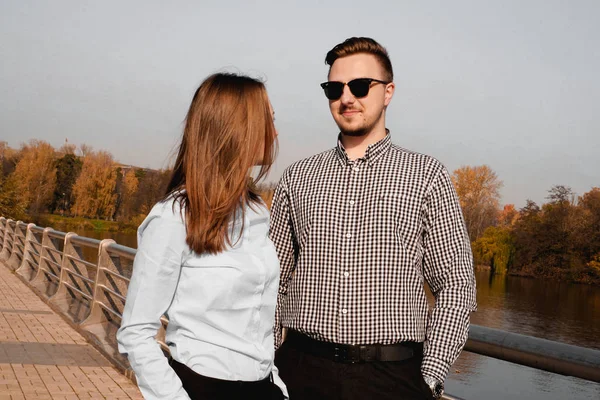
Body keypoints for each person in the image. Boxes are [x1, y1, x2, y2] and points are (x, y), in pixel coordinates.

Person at [270, 37, 477, 400]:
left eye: (360, 86)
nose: (346, 98)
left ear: (388, 92)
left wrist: (427, 377)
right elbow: (271, 281)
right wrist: (269, 361)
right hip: (299, 369)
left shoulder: (426, 176)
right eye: (334, 88)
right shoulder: (297, 177)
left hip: (393, 379)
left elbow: (456, 284)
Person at [117, 72, 288, 400]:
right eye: (267, 118)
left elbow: (257, 317)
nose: (276, 130)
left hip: (262, 388)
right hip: (203, 387)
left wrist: (275, 385)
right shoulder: (175, 217)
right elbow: (136, 333)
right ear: (235, 126)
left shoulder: (256, 212)